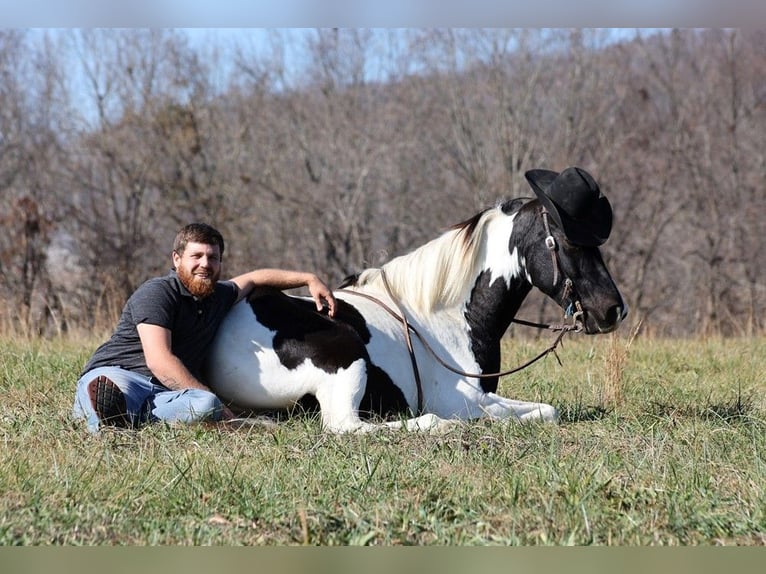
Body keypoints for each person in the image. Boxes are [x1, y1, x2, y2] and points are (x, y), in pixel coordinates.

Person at [73, 222, 337, 432]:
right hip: (123, 375)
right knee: (112, 390)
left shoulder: (218, 296)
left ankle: (130, 420)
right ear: (176, 259)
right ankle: (105, 418)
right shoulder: (157, 293)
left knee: (205, 403)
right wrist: (225, 413)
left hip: (166, 395)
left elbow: (255, 278)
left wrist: (308, 278)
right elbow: (159, 361)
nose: (205, 264)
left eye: (213, 257)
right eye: (196, 256)